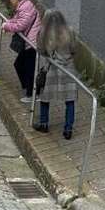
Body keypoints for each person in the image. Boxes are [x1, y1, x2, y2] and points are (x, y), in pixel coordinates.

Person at [35, 9, 78, 139]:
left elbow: (41, 50)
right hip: (68, 68)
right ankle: (68, 129)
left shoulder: (45, 34)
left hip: (52, 68)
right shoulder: (70, 31)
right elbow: (74, 49)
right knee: (70, 100)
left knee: (45, 97)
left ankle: (44, 123)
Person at [1, 0, 42, 102]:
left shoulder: (25, 8)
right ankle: (31, 90)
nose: (10, 1)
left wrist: (6, 26)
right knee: (21, 65)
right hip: (29, 42)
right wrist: (8, 23)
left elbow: (21, 25)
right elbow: (17, 20)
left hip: (31, 43)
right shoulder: (25, 6)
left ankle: (32, 94)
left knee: (27, 67)